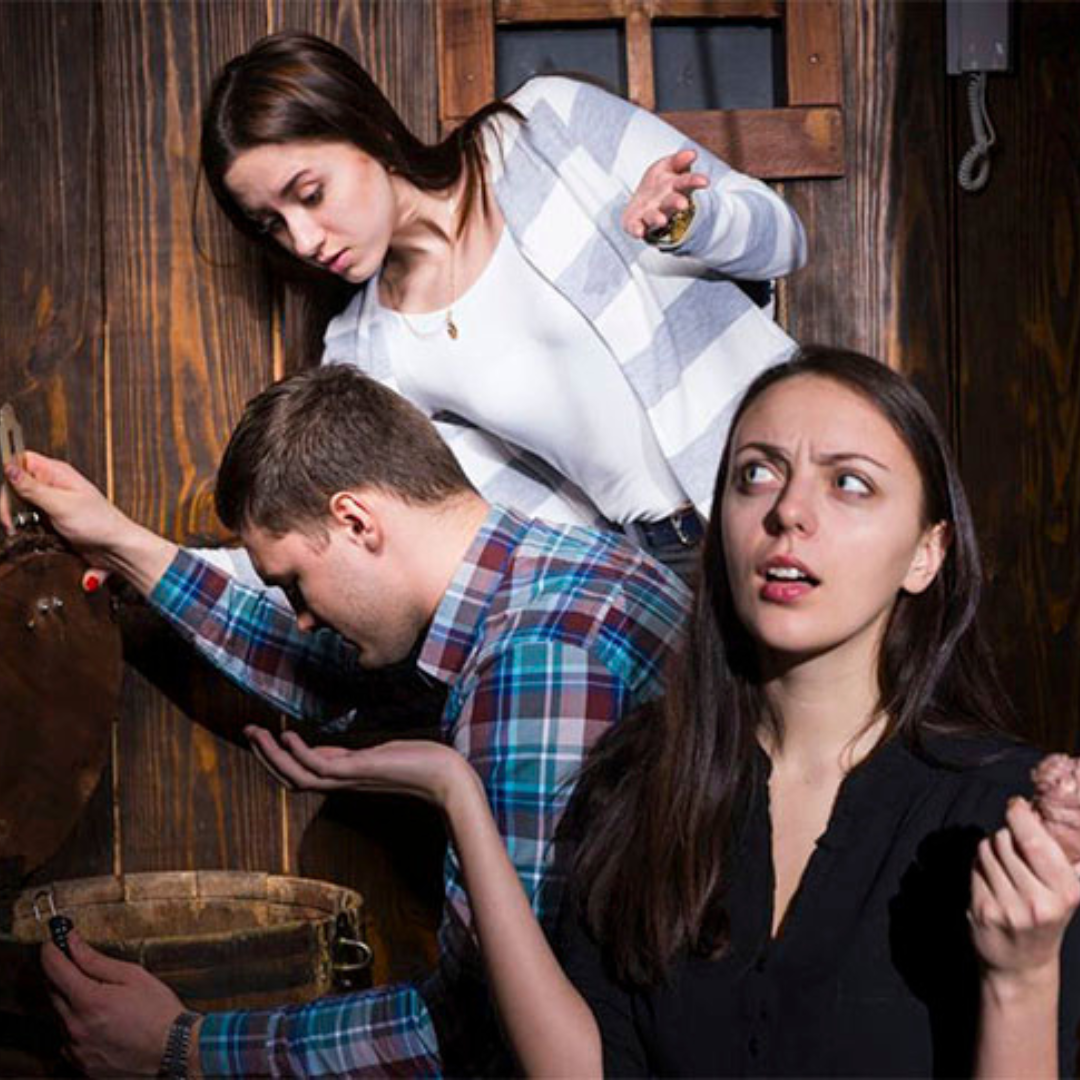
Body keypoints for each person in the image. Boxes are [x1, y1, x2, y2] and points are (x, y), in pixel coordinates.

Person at [241, 347, 1080, 1077]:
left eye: (849, 484)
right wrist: (457, 792)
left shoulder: (1000, 820)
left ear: (927, 554)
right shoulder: (644, 782)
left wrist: (1023, 975)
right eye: (757, 474)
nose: (789, 512)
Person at [5, 365, 690, 1077]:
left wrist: (181, 1046)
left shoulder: (538, 664)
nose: (302, 617)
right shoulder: (558, 570)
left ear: (356, 520)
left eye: (295, 584)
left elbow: (482, 1026)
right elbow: (319, 667)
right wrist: (126, 546)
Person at [199, 30, 808, 579]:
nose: (303, 239)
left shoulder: (547, 124)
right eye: (272, 223)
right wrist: (157, 560)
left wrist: (690, 222)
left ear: (369, 131)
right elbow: (366, 541)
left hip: (796, 478)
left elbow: (785, 239)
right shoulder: (365, 351)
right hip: (666, 562)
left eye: (310, 194)